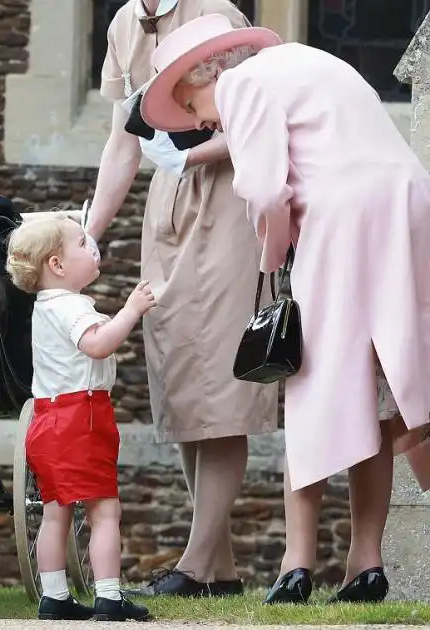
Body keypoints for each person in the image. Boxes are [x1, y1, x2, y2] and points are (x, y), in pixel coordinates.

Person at [140, 13, 430, 604]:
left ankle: (295, 566)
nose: (199, 122)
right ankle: (364, 564)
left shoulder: (242, 85)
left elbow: (268, 189)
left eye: (191, 108)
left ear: (204, 77)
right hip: (408, 208)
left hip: (340, 221)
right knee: (381, 387)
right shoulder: (314, 62)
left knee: (317, 381)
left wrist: (274, 258)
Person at [87, 0, 278, 597]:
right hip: (166, 213)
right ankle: (218, 570)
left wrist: (189, 154)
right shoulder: (123, 24)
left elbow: (261, 118)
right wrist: (89, 233)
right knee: (185, 381)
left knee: (222, 379)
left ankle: (194, 567)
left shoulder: (219, 11)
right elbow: (123, 143)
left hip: (228, 201)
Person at [5, 213, 154, 622]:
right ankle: (108, 595)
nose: (93, 248)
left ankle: (54, 596)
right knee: (105, 510)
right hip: (80, 418)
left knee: (55, 512)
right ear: (56, 265)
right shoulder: (72, 306)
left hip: (46, 419)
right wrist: (131, 310)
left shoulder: (44, 306)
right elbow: (98, 344)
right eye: (83, 243)